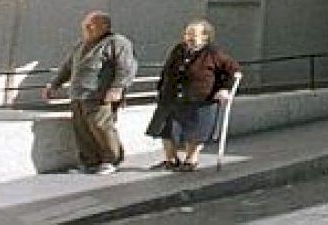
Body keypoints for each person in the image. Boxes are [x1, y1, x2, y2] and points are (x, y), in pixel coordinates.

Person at [42, 11, 138, 175]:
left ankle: (111, 159)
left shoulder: (117, 42)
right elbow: (67, 67)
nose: (87, 28)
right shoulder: (81, 45)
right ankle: (90, 162)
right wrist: (54, 85)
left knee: (101, 127)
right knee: (82, 130)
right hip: (79, 94)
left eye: (91, 25)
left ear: (104, 26)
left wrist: (118, 88)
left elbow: (126, 67)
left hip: (99, 95)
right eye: (85, 25)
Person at [145, 19, 241, 171]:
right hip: (171, 96)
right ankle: (171, 159)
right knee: (165, 128)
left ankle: (191, 160)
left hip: (199, 99)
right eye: (186, 34)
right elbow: (167, 69)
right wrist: (161, 87)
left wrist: (224, 89)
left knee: (194, 131)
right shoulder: (179, 49)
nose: (188, 37)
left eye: (193, 34)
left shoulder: (213, 53)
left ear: (205, 36)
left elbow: (233, 71)